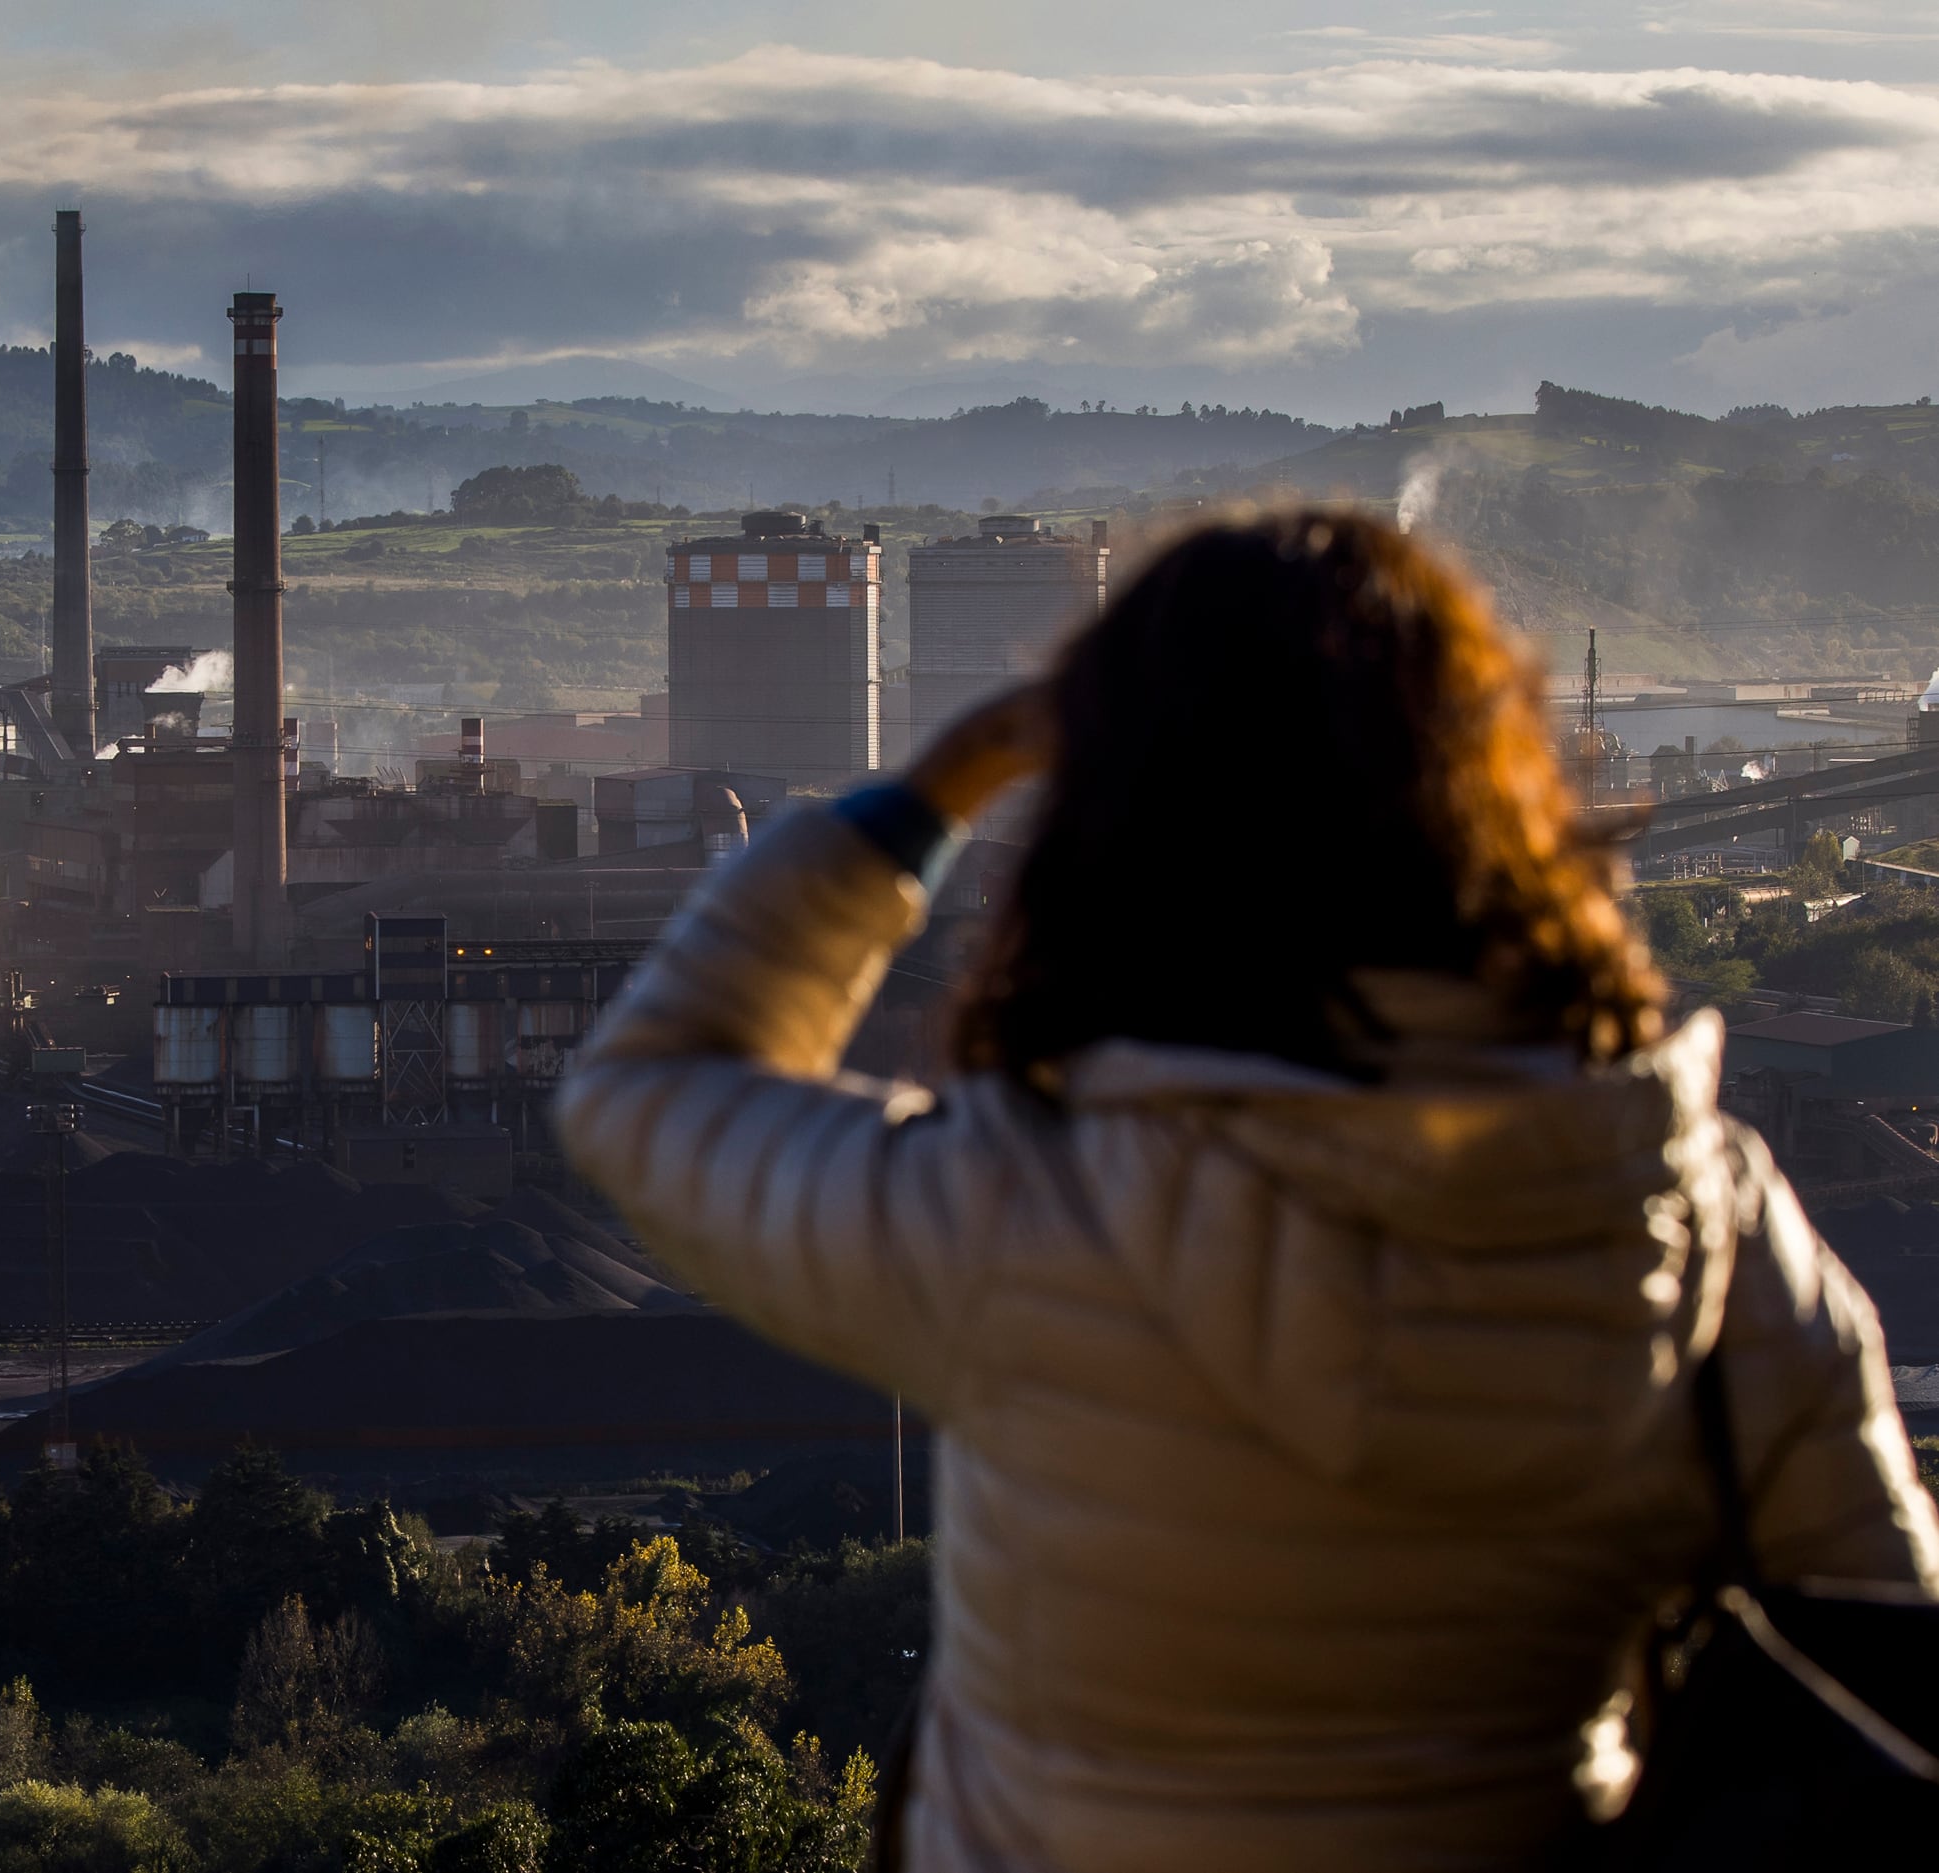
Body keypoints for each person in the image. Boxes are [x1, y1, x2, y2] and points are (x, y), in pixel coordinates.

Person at [555, 511, 1939, 1871]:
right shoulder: (1692, 1213)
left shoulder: (1016, 1201)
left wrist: (932, 789)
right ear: (1496, 796)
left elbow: (643, 1095)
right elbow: (1879, 1628)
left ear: (1114, 828)